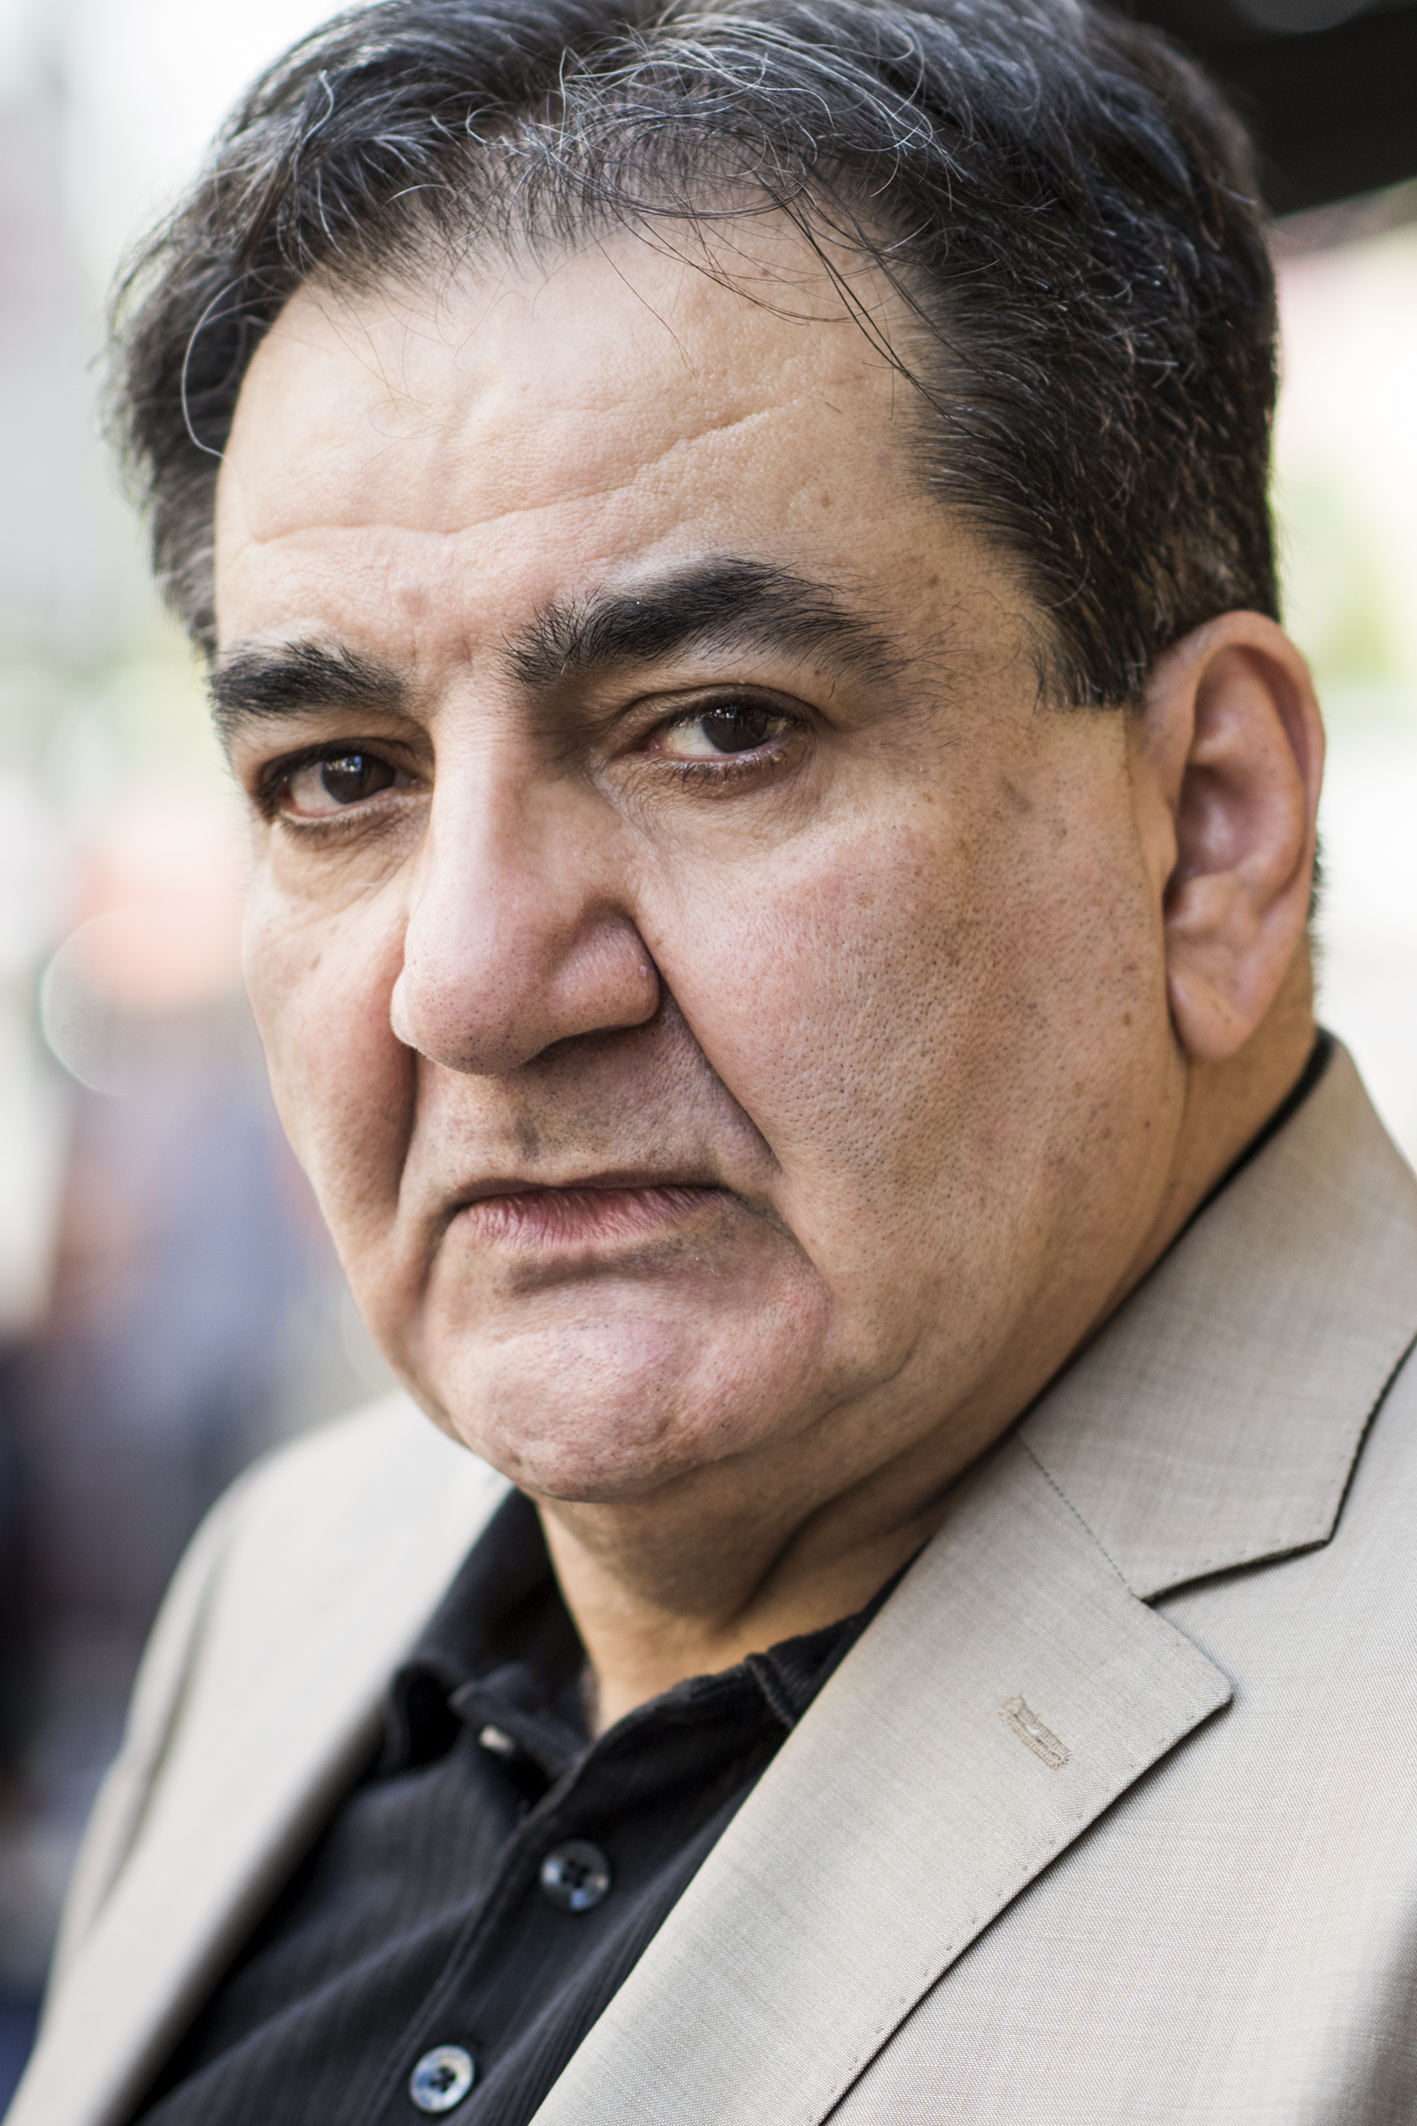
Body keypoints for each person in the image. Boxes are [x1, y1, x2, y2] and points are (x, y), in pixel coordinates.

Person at [11, 0, 1417, 2119]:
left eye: (718, 728)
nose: (471, 983)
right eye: (339, 774)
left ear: (1209, 824)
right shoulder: (292, 1575)